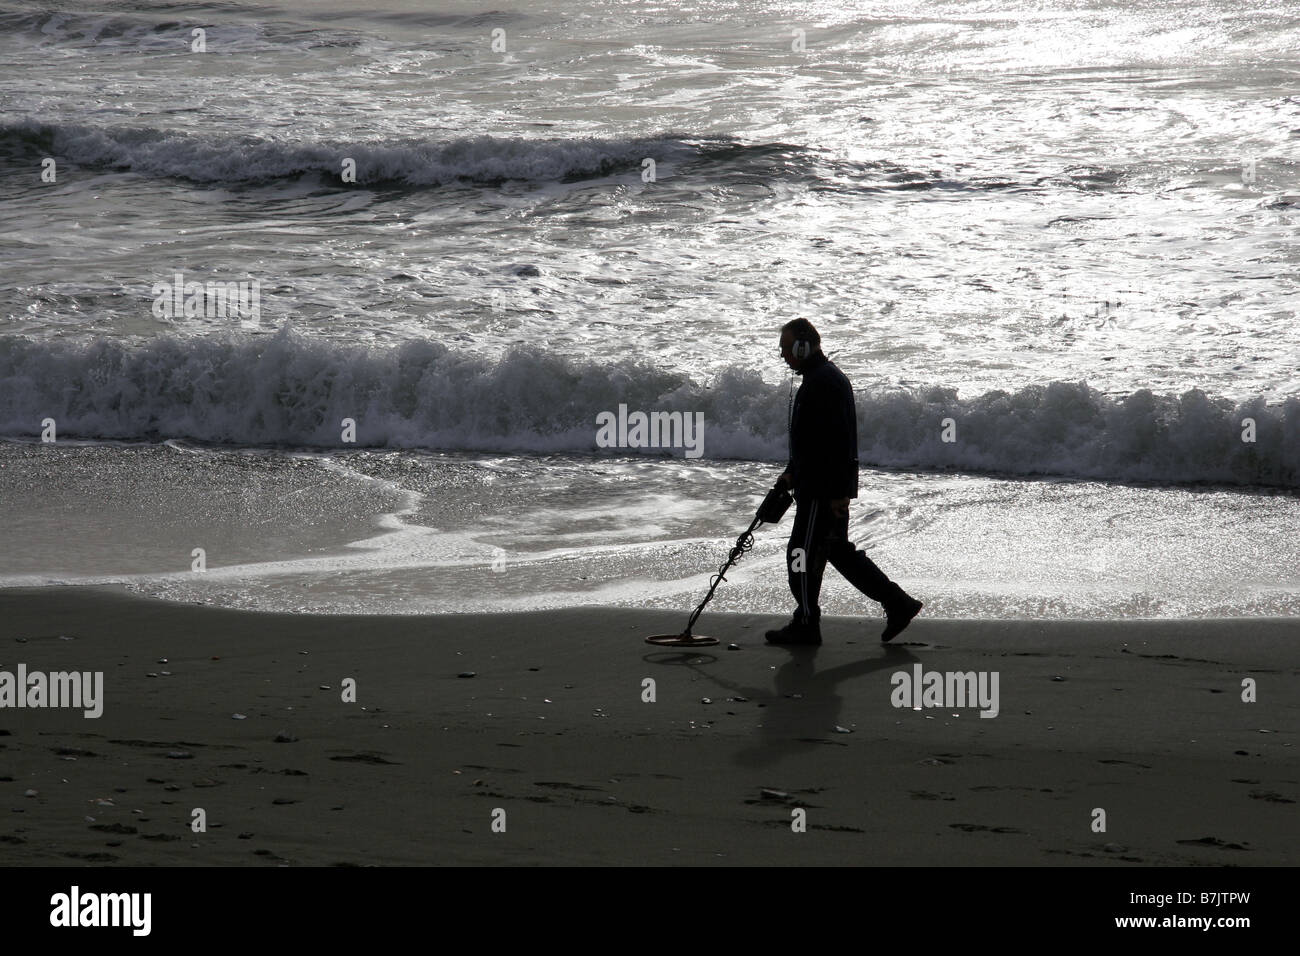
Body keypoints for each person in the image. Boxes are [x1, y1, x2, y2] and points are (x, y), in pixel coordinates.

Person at [766, 318, 923, 645]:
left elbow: (831, 444)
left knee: (801, 554)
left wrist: (815, 485)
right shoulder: (821, 378)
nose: (782, 355)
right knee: (837, 550)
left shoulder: (824, 382)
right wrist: (792, 470)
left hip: (822, 490)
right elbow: (814, 439)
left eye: (786, 348)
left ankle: (807, 624)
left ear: (803, 346)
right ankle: (898, 603)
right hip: (828, 486)